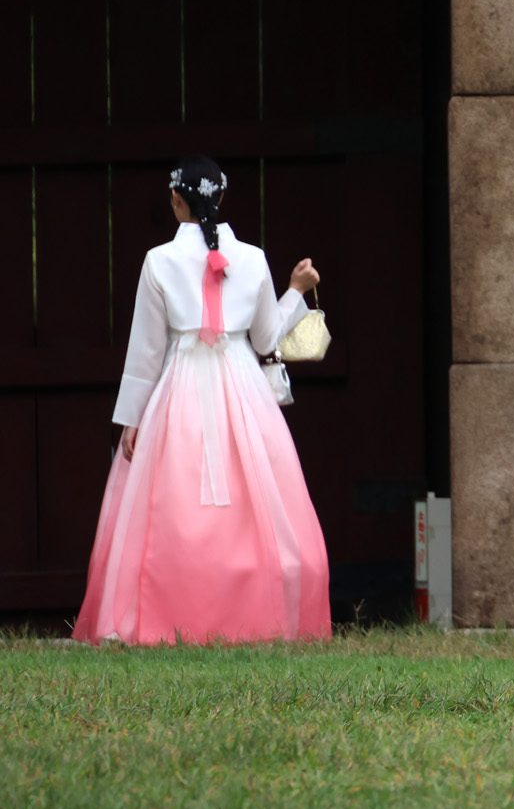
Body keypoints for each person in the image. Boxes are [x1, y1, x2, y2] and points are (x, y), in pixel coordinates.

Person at [74, 157, 332, 645]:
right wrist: (296, 292)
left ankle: (166, 613)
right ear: (222, 197)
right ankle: (258, 614)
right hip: (244, 387)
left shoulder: (159, 261)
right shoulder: (252, 258)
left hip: (181, 385)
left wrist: (132, 418)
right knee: (256, 497)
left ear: (176, 201)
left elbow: (146, 350)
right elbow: (266, 340)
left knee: (173, 501)